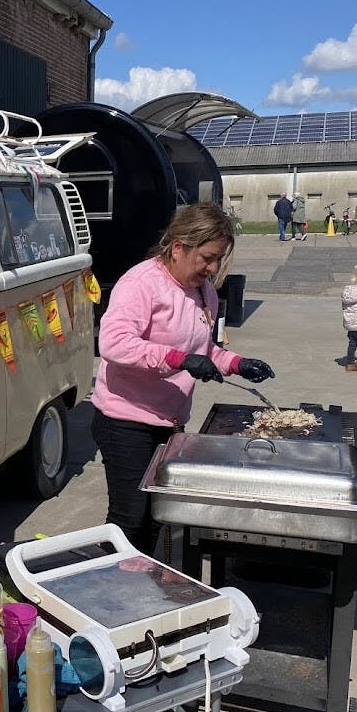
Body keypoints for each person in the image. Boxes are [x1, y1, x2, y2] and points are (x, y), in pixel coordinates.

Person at [90, 203, 275, 556]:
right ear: (178, 247)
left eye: (218, 259)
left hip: (169, 420)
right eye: (207, 257)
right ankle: (113, 587)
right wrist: (177, 359)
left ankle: (141, 577)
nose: (213, 268)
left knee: (159, 515)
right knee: (129, 518)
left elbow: (203, 352)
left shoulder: (203, 292)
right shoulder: (142, 284)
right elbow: (113, 344)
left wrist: (236, 363)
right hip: (125, 419)